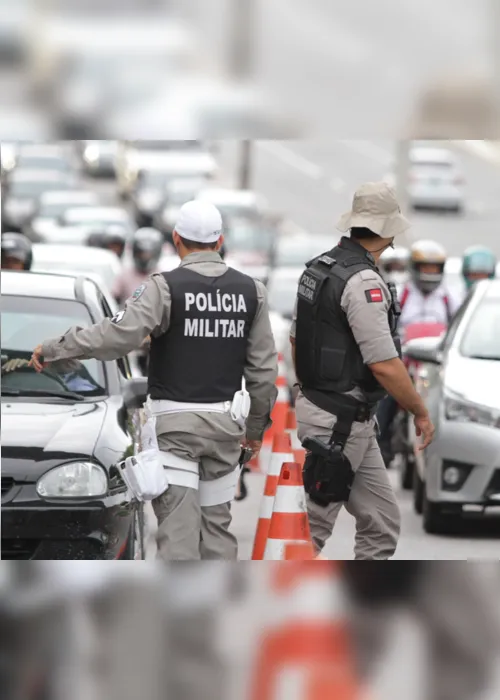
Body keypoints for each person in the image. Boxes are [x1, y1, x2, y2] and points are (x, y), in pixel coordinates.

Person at [30, 200, 278, 561]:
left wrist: (57, 348)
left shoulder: (164, 288)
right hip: (227, 430)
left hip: (176, 430)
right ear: (220, 240)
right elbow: (264, 372)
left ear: (176, 239)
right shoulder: (251, 291)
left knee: (178, 537)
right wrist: (255, 431)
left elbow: (116, 337)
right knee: (217, 535)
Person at [290, 182, 435, 559]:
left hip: (343, 415)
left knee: (381, 522)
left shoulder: (321, 268)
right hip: (339, 421)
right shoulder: (363, 281)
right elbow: (384, 365)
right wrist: (419, 410)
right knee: (310, 531)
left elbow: (296, 341)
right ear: (387, 230)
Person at [377, 239, 460, 466]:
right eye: (425, 268)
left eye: (434, 268)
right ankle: (381, 444)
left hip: (434, 363)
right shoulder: (400, 293)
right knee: (388, 396)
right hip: (405, 359)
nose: (429, 273)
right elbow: (387, 324)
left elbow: (456, 329)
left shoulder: (449, 297)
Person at [111, 227, 163, 306]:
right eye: (141, 254)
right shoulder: (125, 274)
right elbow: (113, 297)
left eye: (148, 255)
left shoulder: (162, 278)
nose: (144, 258)